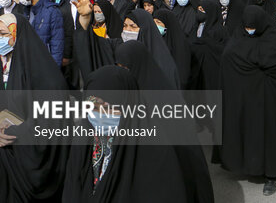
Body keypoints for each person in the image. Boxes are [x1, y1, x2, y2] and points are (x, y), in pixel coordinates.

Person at [62, 65, 214, 202]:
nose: (100, 115)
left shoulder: (155, 152)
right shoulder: (83, 139)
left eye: (109, 107)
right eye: (93, 107)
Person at [220, 6, 276, 196]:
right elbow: (228, 59)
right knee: (251, 133)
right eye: (247, 26)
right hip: (246, 99)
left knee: (270, 134)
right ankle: (251, 166)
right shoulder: (239, 35)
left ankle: (272, 175)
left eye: (253, 26)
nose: (250, 30)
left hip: (271, 97)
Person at [0, 13, 70, 202]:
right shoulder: (5, 64)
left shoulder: (45, 74)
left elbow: (53, 116)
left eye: (3, 34)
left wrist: (17, 131)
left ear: (17, 34)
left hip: (29, 156)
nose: (0, 39)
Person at [14, 0, 65, 66]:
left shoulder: (51, 11)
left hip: (45, 61)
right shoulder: (25, 9)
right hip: (29, 60)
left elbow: (57, 42)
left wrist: (55, 68)